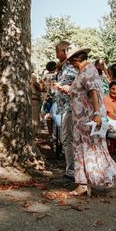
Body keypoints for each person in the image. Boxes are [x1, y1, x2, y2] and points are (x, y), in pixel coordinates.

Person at [64, 47, 116, 196]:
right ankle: (89, 181)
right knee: (88, 148)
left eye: (71, 62)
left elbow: (93, 91)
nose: (71, 65)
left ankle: (84, 183)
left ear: (76, 60)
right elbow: (83, 91)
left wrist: (96, 114)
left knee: (86, 148)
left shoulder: (88, 71)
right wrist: (68, 89)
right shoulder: (85, 71)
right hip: (82, 118)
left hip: (88, 118)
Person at [52, 41, 78, 181]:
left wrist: (61, 87)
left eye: (57, 52)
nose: (56, 55)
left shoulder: (71, 69)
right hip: (64, 108)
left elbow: (76, 87)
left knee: (67, 139)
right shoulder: (62, 68)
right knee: (66, 139)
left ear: (64, 52)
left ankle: (71, 173)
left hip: (70, 108)